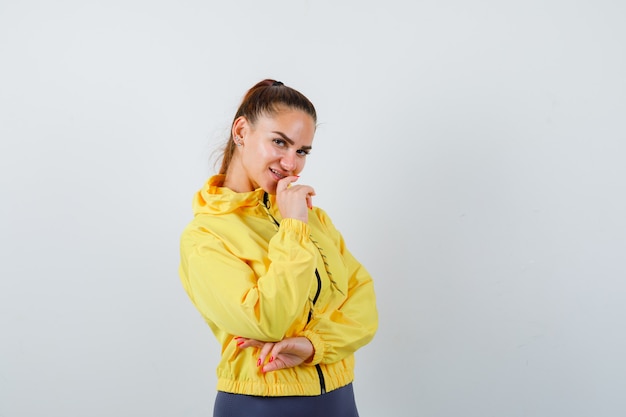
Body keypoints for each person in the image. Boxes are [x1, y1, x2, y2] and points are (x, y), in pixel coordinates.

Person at [178, 79, 378, 417]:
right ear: (241, 131)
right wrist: (293, 228)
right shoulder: (206, 235)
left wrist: (314, 345)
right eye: (279, 142)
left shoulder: (313, 218)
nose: (291, 163)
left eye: (301, 151)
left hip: (339, 398)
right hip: (260, 404)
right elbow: (267, 321)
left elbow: (364, 308)